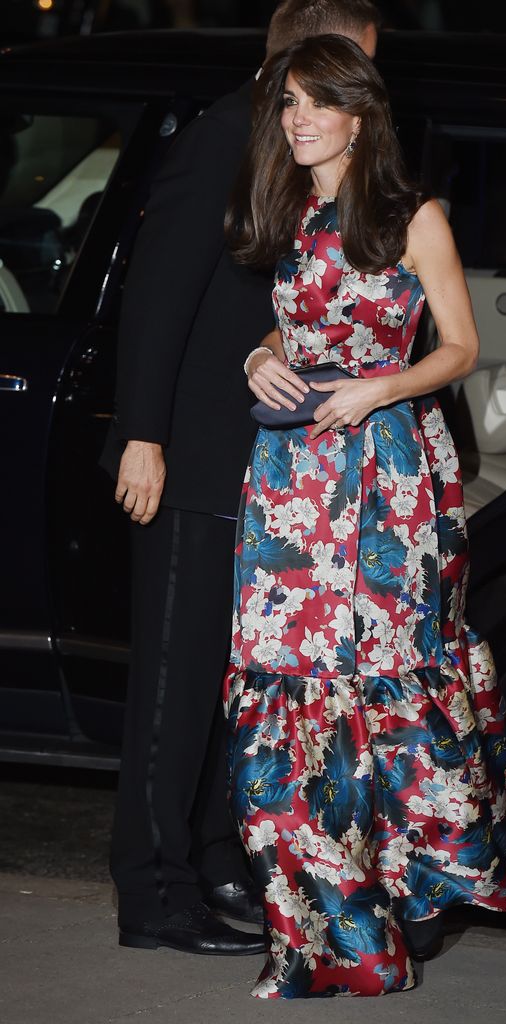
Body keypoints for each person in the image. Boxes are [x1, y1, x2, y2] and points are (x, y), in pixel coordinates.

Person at [223, 33, 506, 998]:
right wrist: (258, 354)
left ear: (360, 116)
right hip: (290, 476)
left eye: (316, 103)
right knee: (287, 688)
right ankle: (329, 932)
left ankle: (417, 890)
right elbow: (300, 311)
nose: (298, 120)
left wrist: (376, 390)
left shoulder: (416, 216)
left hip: (388, 476)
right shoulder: (293, 210)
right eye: (287, 104)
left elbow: (460, 346)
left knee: (386, 680)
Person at [102, 1, 380, 957]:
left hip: (265, 466)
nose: (359, 90)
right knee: (174, 689)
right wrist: (142, 435)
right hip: (183, 462)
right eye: (347, 65)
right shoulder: (221, 137)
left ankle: (214, 858)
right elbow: (155, 298)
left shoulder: (294, 149)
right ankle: (150, 893)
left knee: (233, 685)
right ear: (294, 55)